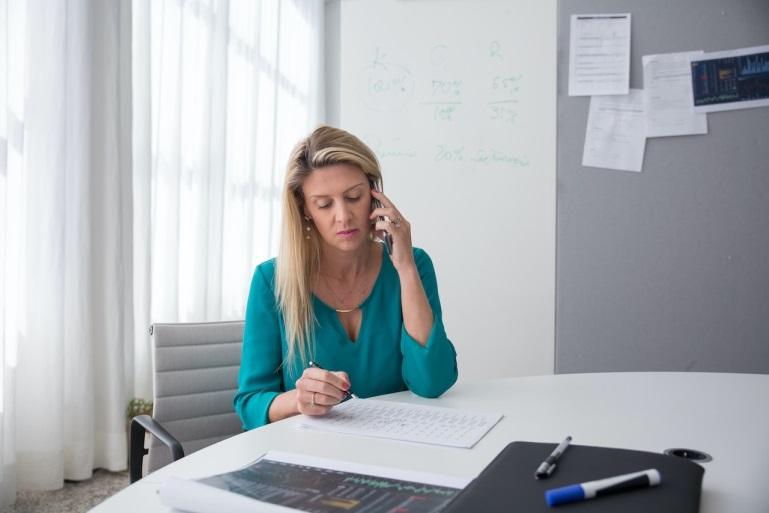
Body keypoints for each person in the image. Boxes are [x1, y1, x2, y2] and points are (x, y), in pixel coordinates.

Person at [234, 126, 457, 430]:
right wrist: (298, 399)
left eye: (354, 197)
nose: (343, 216)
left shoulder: (413, 265)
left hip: (396, 450)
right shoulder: (271, 279)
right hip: (308, 461)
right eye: (324, 204)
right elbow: (250, 403)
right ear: (305, 210)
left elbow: (433, 382)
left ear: (374, 195)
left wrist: (405, 268)